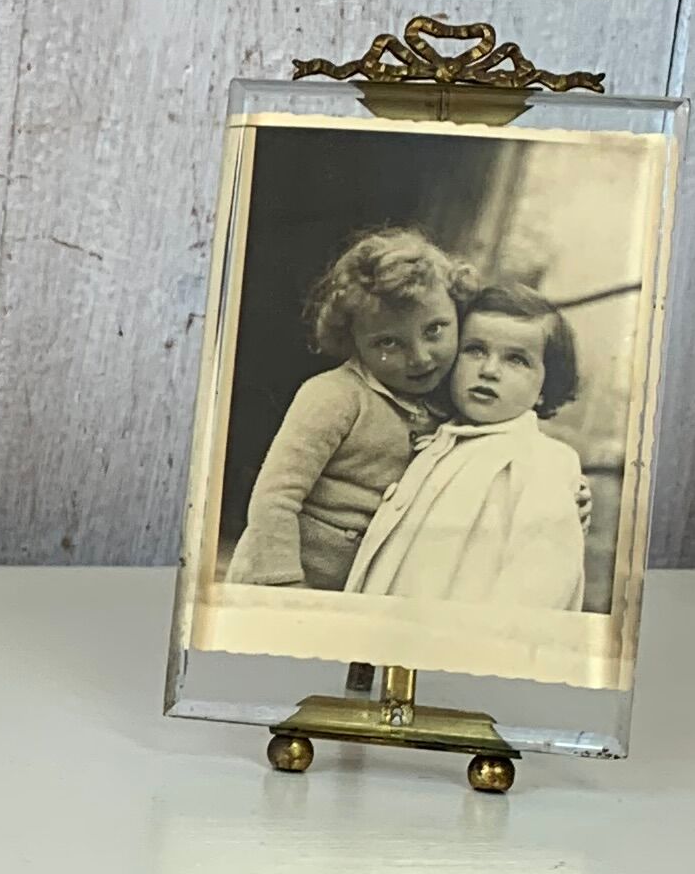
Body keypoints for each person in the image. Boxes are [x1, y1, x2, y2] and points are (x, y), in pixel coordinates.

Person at [227, 227, 462, 590]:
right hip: (282, 584)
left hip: (359, 590)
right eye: (388, 343)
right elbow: (275, 498)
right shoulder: (335, 396)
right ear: (350, 339)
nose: (420, 357)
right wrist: (285, 586)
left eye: (434, 330)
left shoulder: (447, 402)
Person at [345, 286, 588, 613]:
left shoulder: (543, 462)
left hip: (459, 637)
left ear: (545, 387)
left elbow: (539, 588)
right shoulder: (434, 441)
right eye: (474, 350)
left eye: (516, 359)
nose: (489, 370)